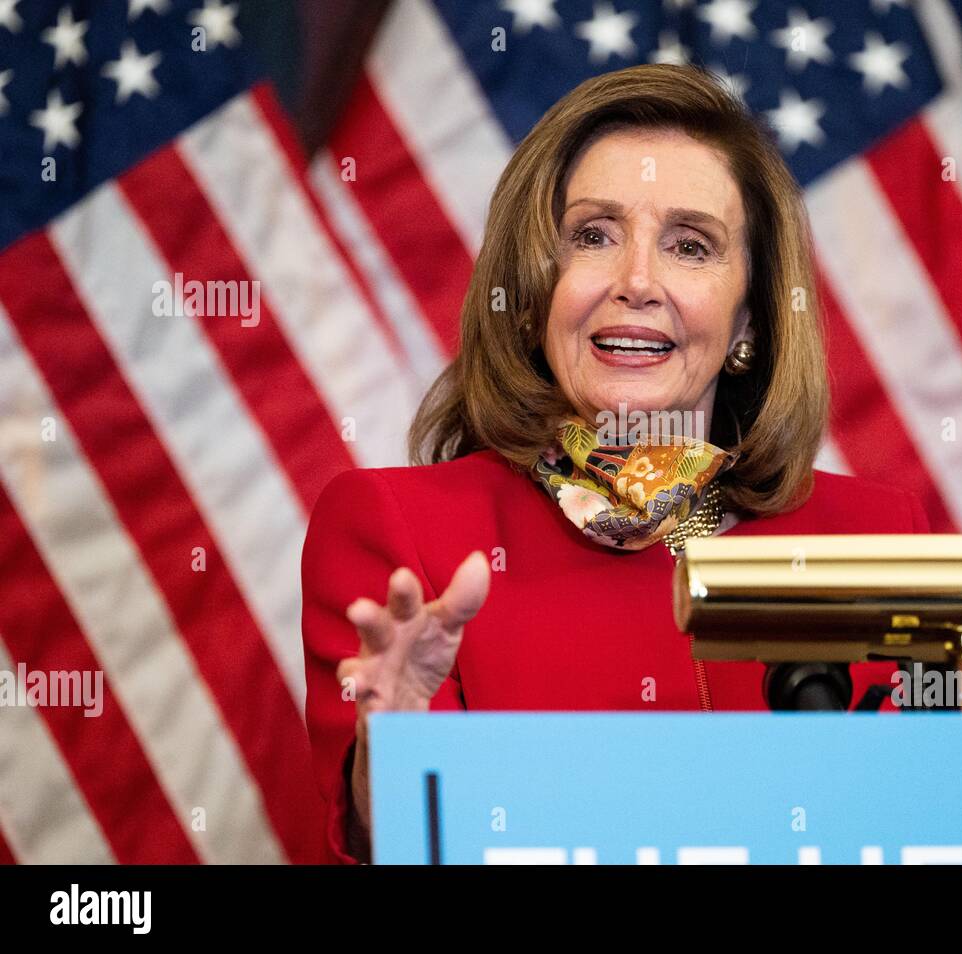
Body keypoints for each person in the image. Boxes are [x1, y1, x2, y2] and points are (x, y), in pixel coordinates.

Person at [301, 63, 928, 864]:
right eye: (592, 236)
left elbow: (939, 824)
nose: (636, 281)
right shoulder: (399, 530)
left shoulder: (872, 540)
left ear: (750, 322)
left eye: (690, 246)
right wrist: (402, 750)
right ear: (533, 295)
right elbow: (392, 842)